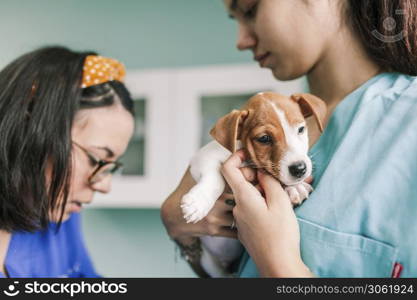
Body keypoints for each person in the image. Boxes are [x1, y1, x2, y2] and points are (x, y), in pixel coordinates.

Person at [161, 0, 417, 277]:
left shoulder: (408, 121)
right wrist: (182, 231)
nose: (241, 40)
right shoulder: (274, 117)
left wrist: (277, 261)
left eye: (249, 11)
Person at [0, 47, 135, 277]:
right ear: (30, 131)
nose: (104, 185)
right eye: (97, 159)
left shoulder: (57, 214)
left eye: (111, 166)